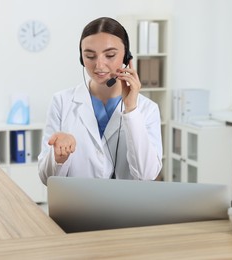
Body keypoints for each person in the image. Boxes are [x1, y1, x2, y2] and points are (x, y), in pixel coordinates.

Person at [38, 17, 162, 185]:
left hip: (125, 209)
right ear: (81, 58)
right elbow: (46, 178)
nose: (99, 65)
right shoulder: (61, 102)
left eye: (110, 55)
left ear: (126, 57)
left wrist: (131, 110)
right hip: (77, 207)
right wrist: (59, 157)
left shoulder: (147, 109)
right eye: (90, 56)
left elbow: (146, 174)